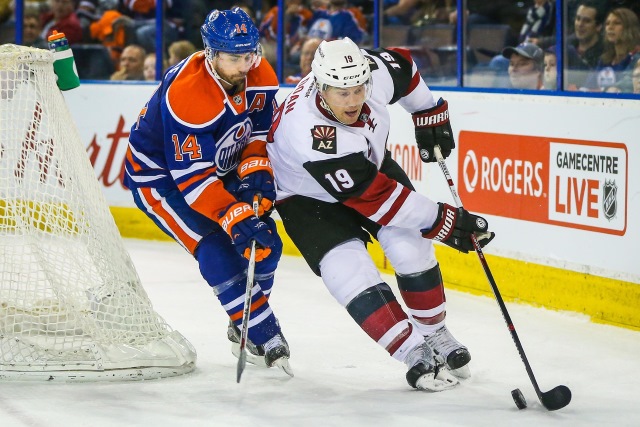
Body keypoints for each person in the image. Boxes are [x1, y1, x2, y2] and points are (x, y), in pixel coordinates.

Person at [267, 37, 495, 391]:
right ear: (321, 87)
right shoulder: (309, 132)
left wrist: (428, 110)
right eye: (343, 93)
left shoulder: (368, 73)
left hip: (367, 168)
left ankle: (436, 334)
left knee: (411, 248)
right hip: (304, 196)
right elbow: (378, 199)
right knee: (349, 269)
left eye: (360, 89)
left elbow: (403, 65)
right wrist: (445, 221)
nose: (355, 100)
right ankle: (412, 351)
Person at [124, 8, 291, 374]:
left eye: (250, 54)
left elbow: (258, 133)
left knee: (265, 242)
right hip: (162, 181)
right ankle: (260, 329)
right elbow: (194, 181)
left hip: (218, 167)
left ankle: (242, 320)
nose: (246, 65)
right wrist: (234, 216)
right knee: (216, 246)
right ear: (210, 53)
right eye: (235, 57)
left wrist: (255, 174)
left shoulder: (258, 72)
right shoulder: (189, 93)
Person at [583, 7, 640, 91]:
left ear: (630, 27)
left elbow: (625, 86)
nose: (610, 27)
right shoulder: (604, 59)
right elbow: (588, 87)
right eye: (607, 23)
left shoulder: (637, 58)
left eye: (617, 23)